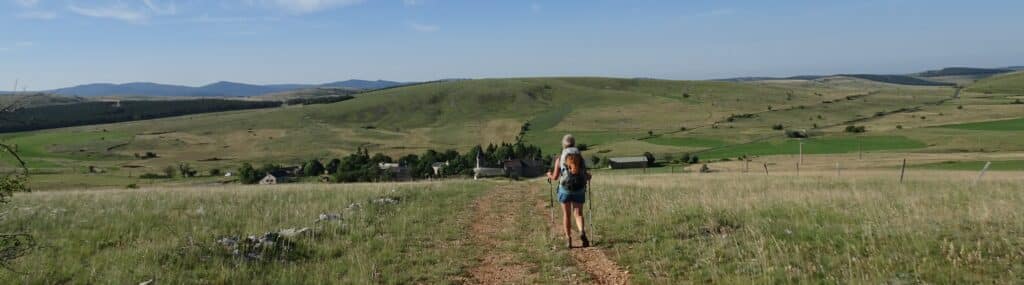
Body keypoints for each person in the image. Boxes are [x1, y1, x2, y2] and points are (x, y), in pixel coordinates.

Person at [546, 134, 591, 249]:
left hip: (565, 189)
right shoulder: (580, 158)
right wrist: (588, 177)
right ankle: (581, 231)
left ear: (563, 144)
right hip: (579, 188)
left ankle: (569, 239)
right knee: (578, 213)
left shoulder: (560, 158)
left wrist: (549, 175)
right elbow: (585, 175)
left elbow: (555, 177)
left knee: (567, 214)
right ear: (574, 143)